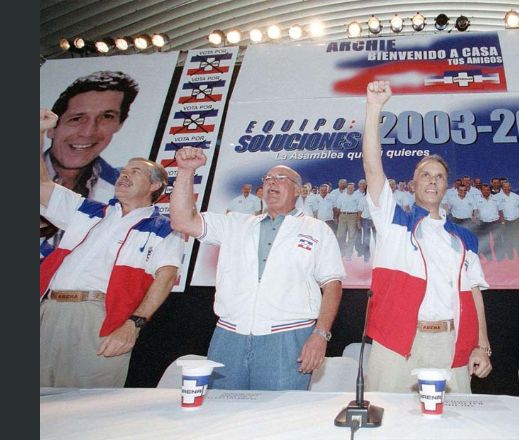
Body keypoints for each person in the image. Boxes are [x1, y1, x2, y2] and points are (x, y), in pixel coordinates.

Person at [169, 147, 345, 391]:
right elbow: (182, 220)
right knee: (219, 415)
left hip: (288, 337)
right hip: (229, 336)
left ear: (298, 189)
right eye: (268, 179)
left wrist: (320, 335)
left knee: (278, 418)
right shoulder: (237, 223)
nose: (272, 182)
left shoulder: (317, 230)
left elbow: (333, 284)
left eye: (280, 179)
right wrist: (186, 171)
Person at [362, 80, 492, 393]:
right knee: (388, 423)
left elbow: (475, 295)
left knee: (454, 426)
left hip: (451, 342)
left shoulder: (463, 239)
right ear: (412, 184)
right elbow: (372, 166)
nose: (432, 181)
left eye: (439, 176)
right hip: (397, 342)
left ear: (446, 185)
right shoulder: (395, 221)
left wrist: (482, 345)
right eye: (425, 175)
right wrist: (374, 108)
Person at [39, 108, 183, 388]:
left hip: (100, 319)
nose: (124, 175)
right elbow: (41, 184)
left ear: (156, 185)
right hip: (50, 311)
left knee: (88, 410)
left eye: (136, 172)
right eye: (123, 171)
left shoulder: (163, 227)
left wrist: (134, 325)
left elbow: (164, 278)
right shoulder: (86, 210)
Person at [41, 71, 141, 252]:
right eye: (77, 118)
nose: (88, 132)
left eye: (106, 117)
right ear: (51, 129)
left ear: (119, 124)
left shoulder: (124, 193)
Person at [496, 180, 519, 260]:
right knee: (507, 238)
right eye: (504, 187)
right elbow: (499, 210)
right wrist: (502, 221)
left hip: (516, 220)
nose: (506, 188)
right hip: (505, 221)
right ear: (502, 188)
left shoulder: (516, 196)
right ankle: (510, 256)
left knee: (518, 238)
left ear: (510, 187)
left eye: (508, 186)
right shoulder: (498, 197)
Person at [335, 181, 360, 259]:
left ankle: (348, 254)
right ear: (347, 188)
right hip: (342, 216)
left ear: (354, 188)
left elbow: (360, 209)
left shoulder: (357, 196)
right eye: (349, 188)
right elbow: (338, 208)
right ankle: (343, 251)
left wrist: (358, 220)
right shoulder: (341, 196)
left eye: (352, 188)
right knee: (340, 235)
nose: (350, 189)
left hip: (353, 216)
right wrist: (336, 217)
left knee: (351, 236)